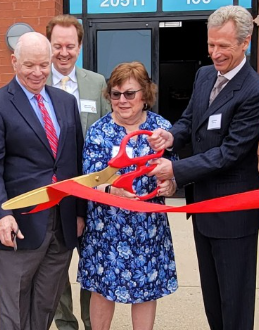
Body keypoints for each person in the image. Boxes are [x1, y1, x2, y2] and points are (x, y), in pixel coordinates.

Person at [147, 5, 259, 329]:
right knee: (213, 300)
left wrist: (176, 170)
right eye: (211, 44)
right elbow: (190, 119)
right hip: (203, 207)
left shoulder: (255, 92)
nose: (215, 53)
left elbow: (229, 153)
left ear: (245, 42)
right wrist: (169, 136)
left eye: (223, 46)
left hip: (234, 211)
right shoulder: (205, 75)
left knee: (235, 303)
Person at [0, 32, 86, 330]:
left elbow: (74, 161)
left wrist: (78, 212)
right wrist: (0, 215)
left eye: (43, 64)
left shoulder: (65, 102)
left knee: (46, 303)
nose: (37, 72)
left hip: (62, 222)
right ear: (14, 62)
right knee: (14, 307)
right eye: (29, 65)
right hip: (19, 224)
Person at [78, 62, 178, 330]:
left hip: (148, 228)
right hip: (106, 226)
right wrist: (112, 191)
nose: (122, 100)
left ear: (145, 94)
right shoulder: (98, 132)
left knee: (146, 290)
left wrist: (171, 185)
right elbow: (88, 183)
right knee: (101, 289)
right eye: (115, 94)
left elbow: (175, 169)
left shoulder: (161, 129)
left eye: (130, 93)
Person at [45, 14, 110, 330]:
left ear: (80, 46)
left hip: (91, 194)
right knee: (56, 265)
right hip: (52, 191)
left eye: (70, 46)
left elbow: (110, 132)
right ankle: (65, 322)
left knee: (92, 264)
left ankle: (90, 320)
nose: (63, 52)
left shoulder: (96, 83)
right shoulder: (37, 83)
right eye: (57, 46)